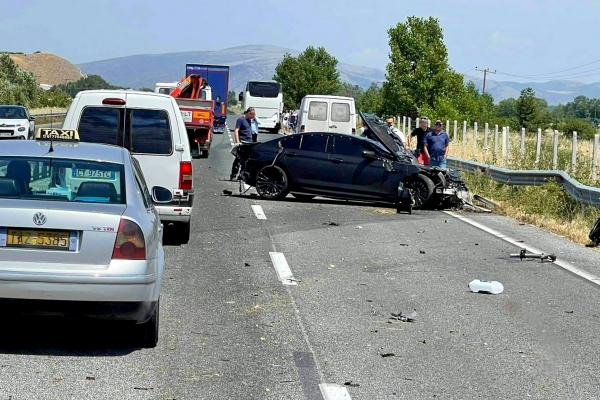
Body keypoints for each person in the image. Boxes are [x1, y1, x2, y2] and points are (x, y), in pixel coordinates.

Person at [230, 108, 255, 180]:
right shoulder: (240, 120)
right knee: (238, 160)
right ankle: (233, 175)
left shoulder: (249, 120)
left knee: (246, 160)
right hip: (242, 143)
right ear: (248, 113)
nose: (253, 116)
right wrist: (238, 142)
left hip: (249, 143)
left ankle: (241, 175)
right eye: (252, 114)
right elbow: (236, 130)